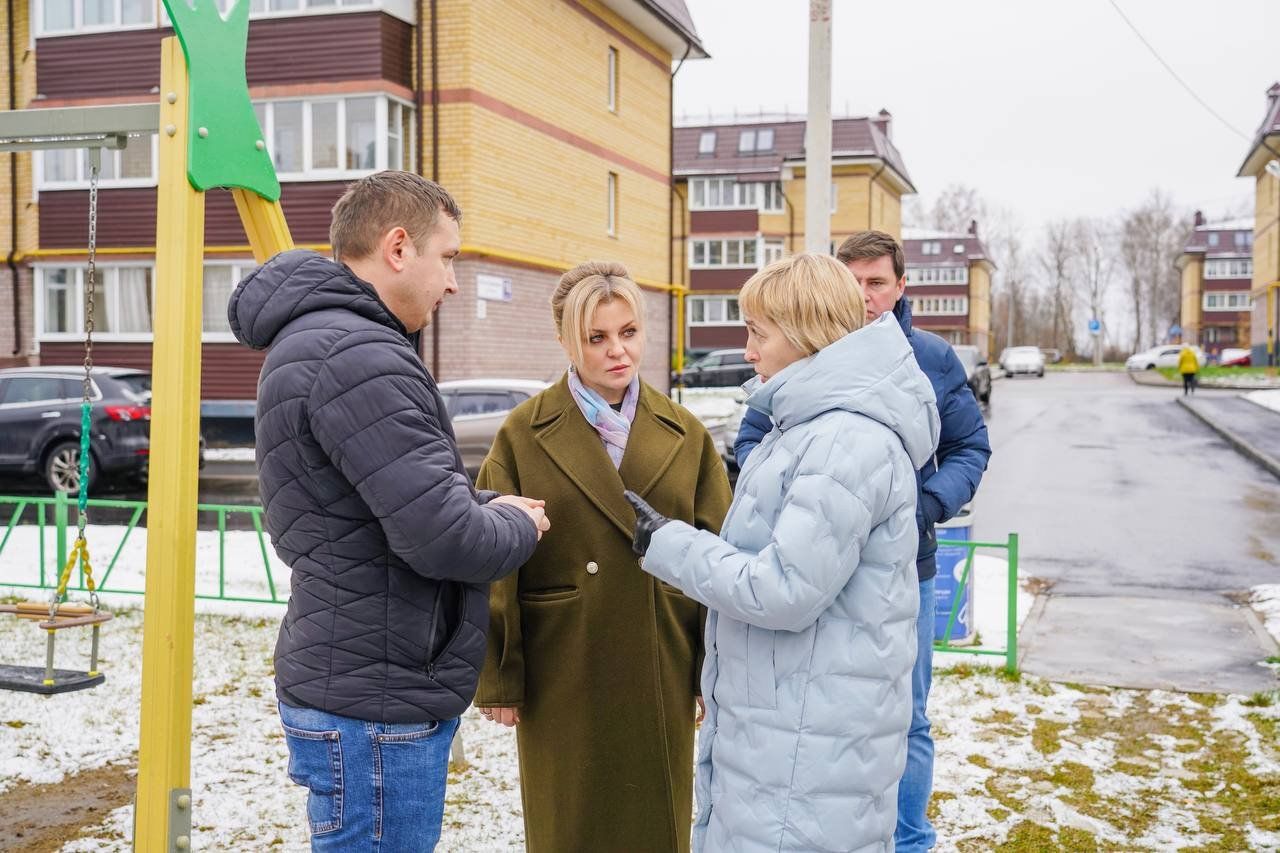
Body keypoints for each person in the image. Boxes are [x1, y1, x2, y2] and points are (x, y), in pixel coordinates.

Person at [228, 171, 548, 852]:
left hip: (360, 677)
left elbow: (378, 500)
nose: (454, 282)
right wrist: (519, 524)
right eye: (449, 256)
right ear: (398, 247)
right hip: (375, 699)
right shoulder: (357, 353)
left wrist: (487, 502)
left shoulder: (330, 341)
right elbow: (442, 538)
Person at [625, 252, 941, 851]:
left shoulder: (844, 442)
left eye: (757, 333)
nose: (748, 351)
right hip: (792, 735)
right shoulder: (810, 428)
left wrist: (668, 543)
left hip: (807, 753)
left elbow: (784, 589)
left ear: (804, 335)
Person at [734, 230, 991, 853]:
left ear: (901, 287)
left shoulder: (929, 357)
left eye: (877, 282)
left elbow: (970, 447)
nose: (865, 295)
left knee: (903, 714)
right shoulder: (799, 355)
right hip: (809, 552)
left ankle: (908, 839)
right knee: (824, 719)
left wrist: (916, 509)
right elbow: (752, 436)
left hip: (907, 563)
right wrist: (789, 497)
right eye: (853, 282)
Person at [473, 261, 732, 852]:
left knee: (654, 824)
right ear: (567, 340)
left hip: (661, 653)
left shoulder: (686, 434)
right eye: (597, 337)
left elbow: (718, 556)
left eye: (629, 332)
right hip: (561, 659)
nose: (618, 351)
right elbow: (495, 563)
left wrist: (709, 673)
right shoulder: (523, 431)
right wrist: (500, 677)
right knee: (570, 823)